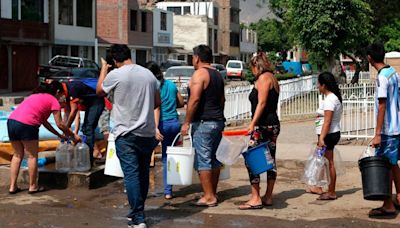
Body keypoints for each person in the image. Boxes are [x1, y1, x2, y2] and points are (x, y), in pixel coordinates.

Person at [96, 44, 160, 228]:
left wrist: (103, 69)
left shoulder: (116, 74)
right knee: (143, 173)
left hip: (126, 133)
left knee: (131, 175)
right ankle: (139, 211)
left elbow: (99, 91)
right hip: (147, 133)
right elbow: (157, 102)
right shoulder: (148, 74)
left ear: (115, 60)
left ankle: (138, 217)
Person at [7, 81, 79, 194]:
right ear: (57, 92)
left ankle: (12, 186)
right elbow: (60, 124)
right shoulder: (53, 101)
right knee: (32, 156)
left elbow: (45, 122)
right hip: (27, 124)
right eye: (61, 95)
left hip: (11, 122)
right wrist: (73, 135)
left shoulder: (34, 96)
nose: (62, 98)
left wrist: (59, 135)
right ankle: (33, 186)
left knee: (17, 155)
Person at [181, 45, 225, 207]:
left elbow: (194, 100)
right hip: (218, 121)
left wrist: (186, 122)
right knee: (214, 158)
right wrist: (219, 117)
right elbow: (222, 100)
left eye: (193, 57)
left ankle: (208, 197)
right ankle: (212, 192)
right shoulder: (218, 75)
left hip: (204, 123)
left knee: (203, 159)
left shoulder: (199, 74)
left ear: (197, 58)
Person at [239, 52, 280, 210]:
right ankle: (268, 197)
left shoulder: (263, 78)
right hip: (273, 124)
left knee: (252, 158)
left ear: (257, 66)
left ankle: (255, 198)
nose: (252, 72)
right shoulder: (274, 79)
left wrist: (252, 124)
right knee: (270, 160)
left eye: (252, 68)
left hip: (263, 126)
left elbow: (261, 103)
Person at [367, 43, 400, 217]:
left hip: (387, 130)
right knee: (393, 164)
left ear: (369, 58)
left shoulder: (382, 77)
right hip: (397, 127)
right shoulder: (393, 73)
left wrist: (377, 133)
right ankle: (399, 197)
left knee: (385, 166)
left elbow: (382, 105)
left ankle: (388, 205)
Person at [146, 61, 185, 200]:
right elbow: (181, 102)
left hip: (161, 124)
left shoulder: (152, 86)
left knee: (164, 157)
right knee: (173, 156)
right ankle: (171, 187)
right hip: (174, 124)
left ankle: (166, 190)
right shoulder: (171, 85)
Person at [308, 72, 343, 200]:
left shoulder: (330, 100)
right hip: (329, 134)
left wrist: (321, 138)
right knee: (322, 161)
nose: (317, 86)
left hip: (328, 135)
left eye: (319, 84)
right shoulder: (333, 98)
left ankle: (332, 191)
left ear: (324, 85)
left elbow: (327, 122)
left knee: (329, 163)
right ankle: (318, 186)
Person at [62, 79, 105, 167]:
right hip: (90, 103)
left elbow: (75, 112)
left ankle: (88, 160)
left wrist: (69, 129)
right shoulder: (65, 95)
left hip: (97, 101)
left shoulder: (73, 89)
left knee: (88, 128)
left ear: (58, 91)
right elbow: (67, 113)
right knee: (85, 129)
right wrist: (65, 130)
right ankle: (88, 157)